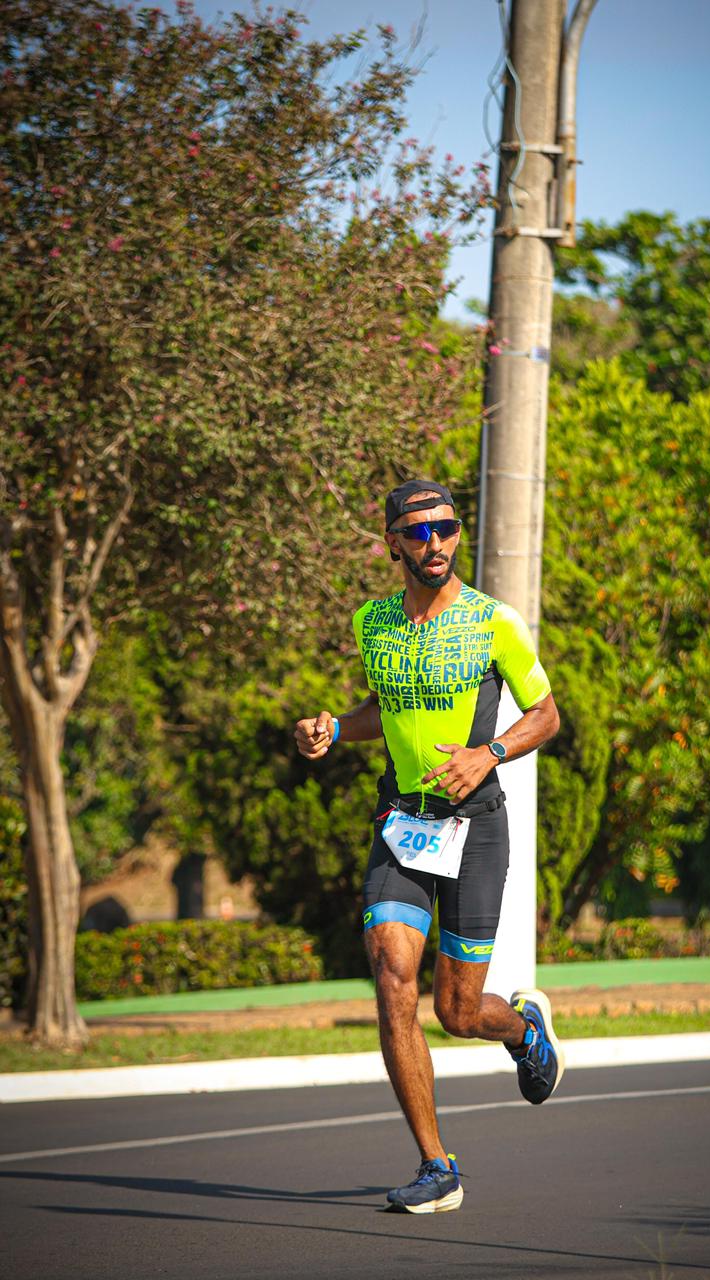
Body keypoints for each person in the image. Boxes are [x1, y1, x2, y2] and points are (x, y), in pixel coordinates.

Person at [295, 478, 563, 1215]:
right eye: (418, 533)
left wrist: (492, 753)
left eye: (446, 529)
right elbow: (387, 708)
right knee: (390, 974)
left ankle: (523, 1030)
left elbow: (545, 714)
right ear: (392, 544)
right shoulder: (372, 623)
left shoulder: (493, 622)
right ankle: (437, 1165)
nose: (436, 543)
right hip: (402, 825)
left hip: (476, 825)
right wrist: (334, 727)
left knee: (459, 1011)